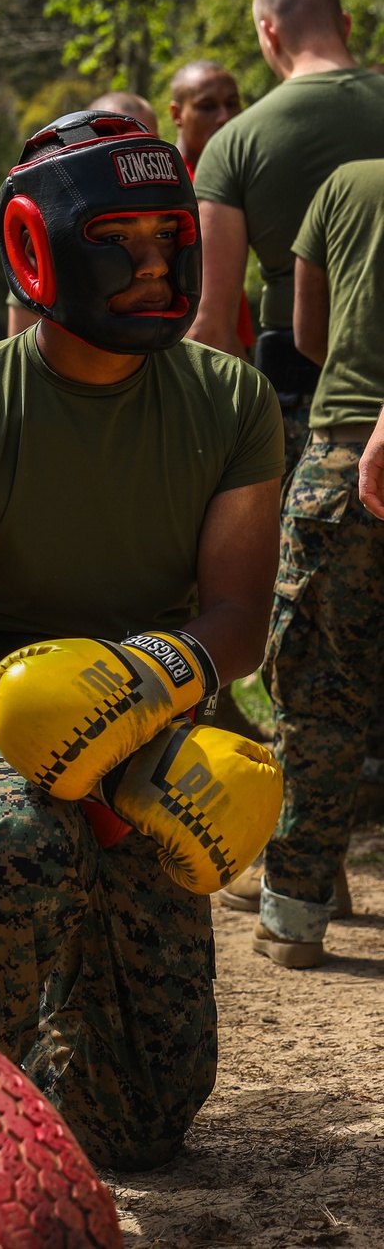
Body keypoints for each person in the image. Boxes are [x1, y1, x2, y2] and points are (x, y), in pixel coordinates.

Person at [0, 110, 283, 1170]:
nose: (153, 266)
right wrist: (64, 750)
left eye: (169, 235)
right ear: (34, 245)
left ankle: (45, 982)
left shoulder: (230, 398)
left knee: (137, 1132)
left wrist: (137, 712)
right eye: (117, 238)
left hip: (147, 734)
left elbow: (236, 618)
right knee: (12, 835)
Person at [254, 160, 384, 967]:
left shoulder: (349, 184)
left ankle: (298, 910)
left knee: (317, 688)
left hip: (348, 450)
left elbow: (309, 334)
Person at [189, 0, 384, 475]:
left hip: (297, 405)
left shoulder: (234, 144)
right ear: (344, 24)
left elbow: (211, 325)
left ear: (268, 33)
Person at [5, 92, 158, 338]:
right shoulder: (54, 239)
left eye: (145, 141)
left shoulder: (181, 223)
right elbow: (23, 344)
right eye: (113, 142)